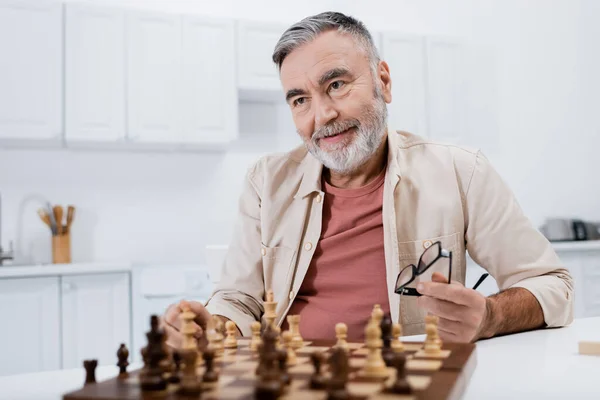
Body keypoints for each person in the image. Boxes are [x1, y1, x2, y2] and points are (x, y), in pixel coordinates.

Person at [161, 11, 573, 346]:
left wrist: (490, 316)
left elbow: (553, 286)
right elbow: (237, 300)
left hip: (406, 382)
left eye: (336, 84)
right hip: (286, 379)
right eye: (300, 100)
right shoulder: (264, 182)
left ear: (384, 81)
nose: (321, 116)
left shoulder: (461, 172)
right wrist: (212, 327)